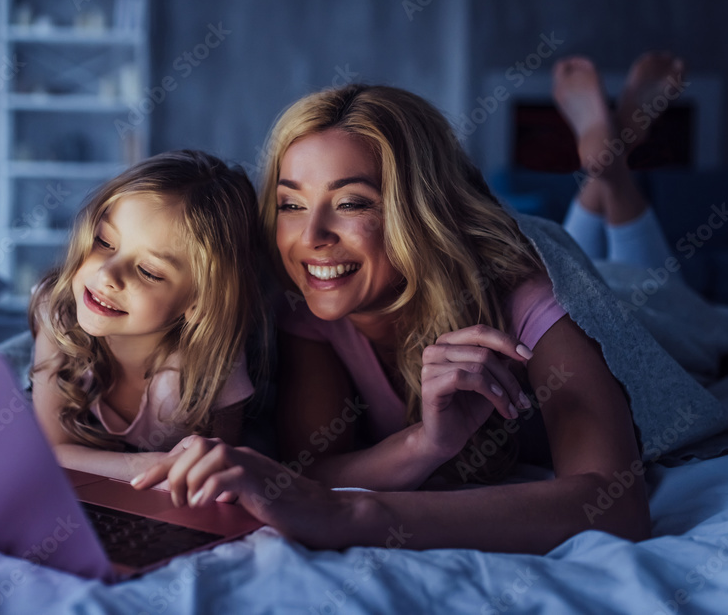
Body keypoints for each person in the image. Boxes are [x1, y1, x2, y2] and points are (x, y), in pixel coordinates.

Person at [131, 83, 653, 553]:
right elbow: (313, 465)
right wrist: (426, 444)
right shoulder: (311, 302)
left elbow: (615, 505)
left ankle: (611, 172)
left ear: (419, 210)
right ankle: (602, 172)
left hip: (648, 308)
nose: (311, 236)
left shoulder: (526, 297)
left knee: (645, 281)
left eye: (352, 203)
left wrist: (354, 514)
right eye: (291, 205)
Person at [29, 150, 265, 483]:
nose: (109, 274)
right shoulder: (58, 314)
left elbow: (215, 474)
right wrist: (148, 467)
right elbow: (51, 451)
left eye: (149, 271)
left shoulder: (215, 360)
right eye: (103, 241)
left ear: (199, 302)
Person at [555, 52, 686, 274]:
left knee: (564, 281)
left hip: (571, 302)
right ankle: (618, 146)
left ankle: (614, 150)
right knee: (562, 281)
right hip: (641, 304)